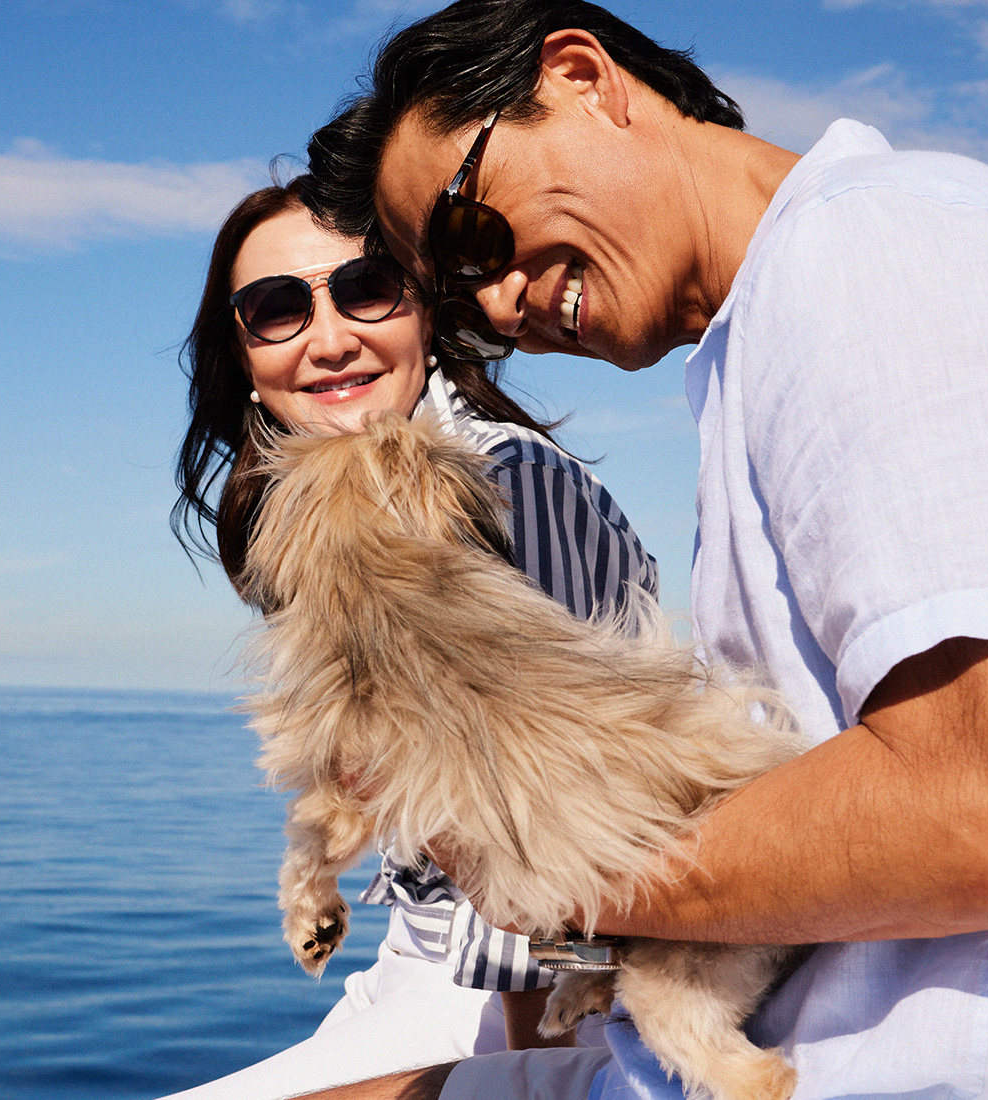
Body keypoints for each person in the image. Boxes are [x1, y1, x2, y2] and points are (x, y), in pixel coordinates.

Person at [291, 1, 988, 1098]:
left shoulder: (865, 255)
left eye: (471, 235)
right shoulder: (779, 322)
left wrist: (543, 868)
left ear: (580, 78)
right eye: (459, 298)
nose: (499, 304)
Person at [167, 178, 659, 1098]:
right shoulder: (341, 505)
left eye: (366, 287)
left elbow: (560, 825)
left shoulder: (505, 484)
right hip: (424, 961)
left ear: (426, 310)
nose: (329, 337)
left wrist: (535, 1074)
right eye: (277, 309)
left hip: (560, 990)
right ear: (243, 356)